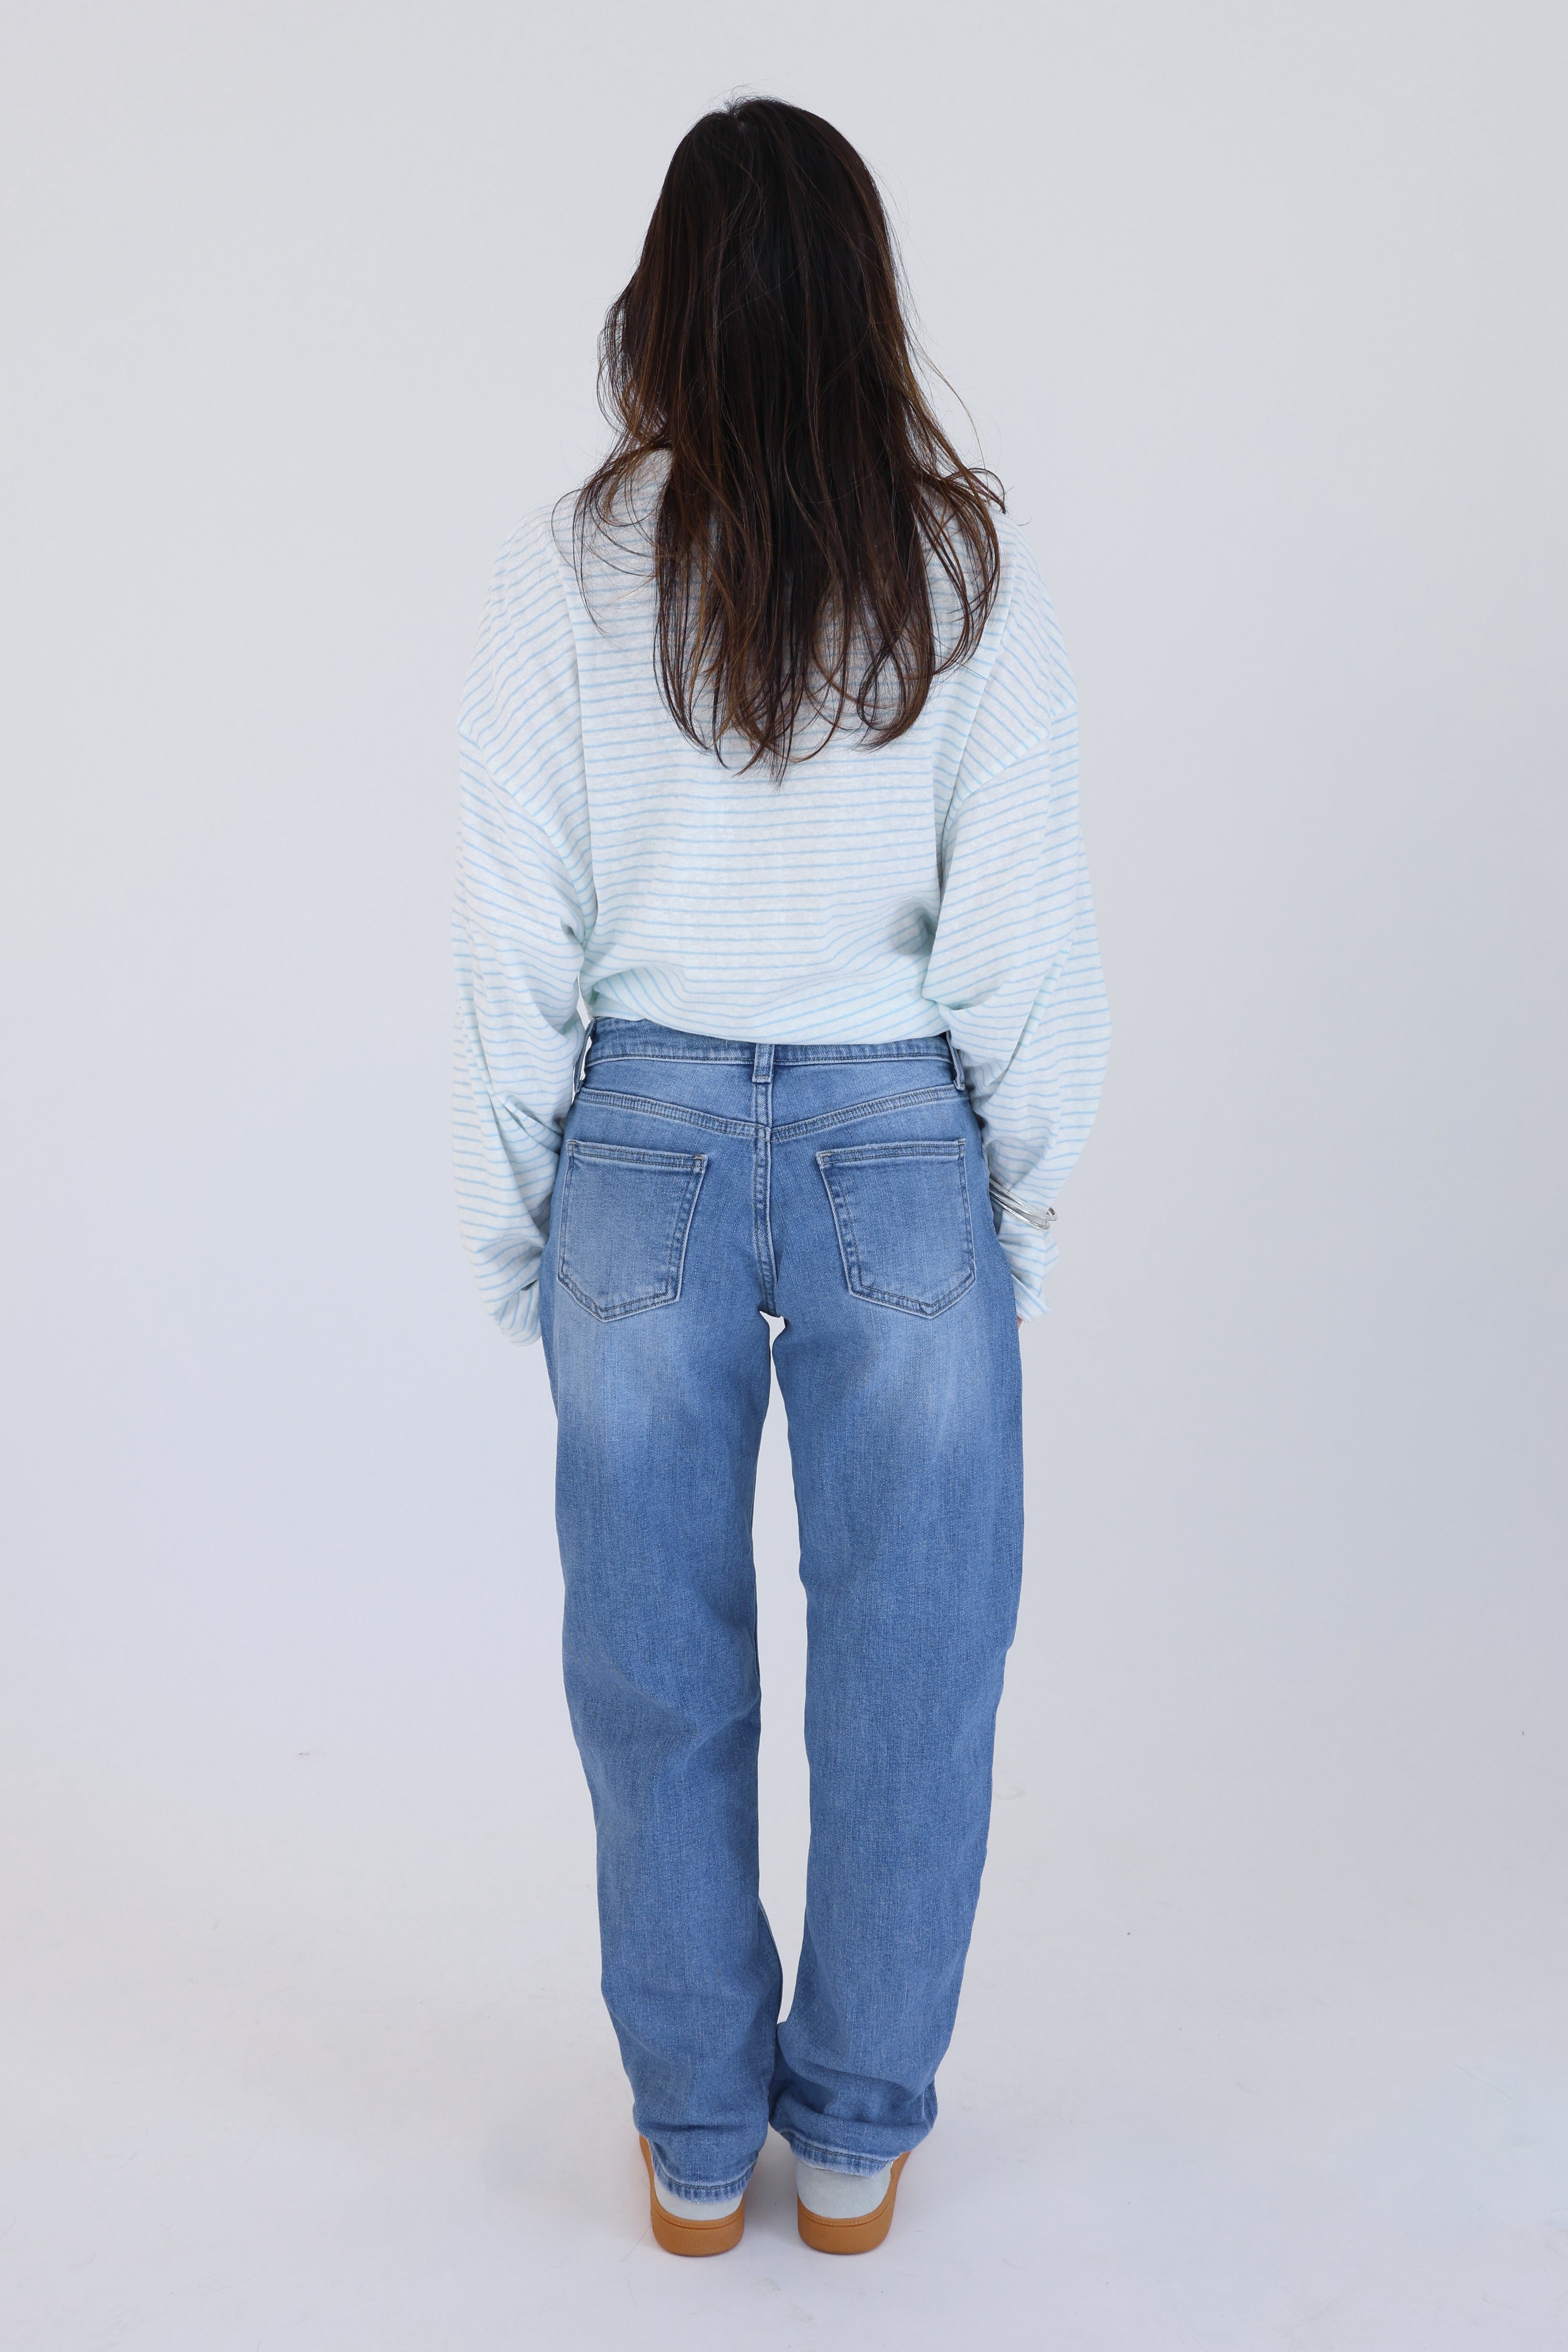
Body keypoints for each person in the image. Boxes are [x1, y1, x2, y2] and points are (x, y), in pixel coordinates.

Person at [452, 96, 1109, 2257]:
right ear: (863, 299)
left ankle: (691, 2138)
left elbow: (512, 925)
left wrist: (518, 1228)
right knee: (918, 1671)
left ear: (662, 303)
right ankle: (849, 2140)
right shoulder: (963, 565)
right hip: (896, 1142)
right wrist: (1010, 1219)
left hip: (633, 1147)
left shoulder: (568, 561)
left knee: (649, 1666)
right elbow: (1023, 936)